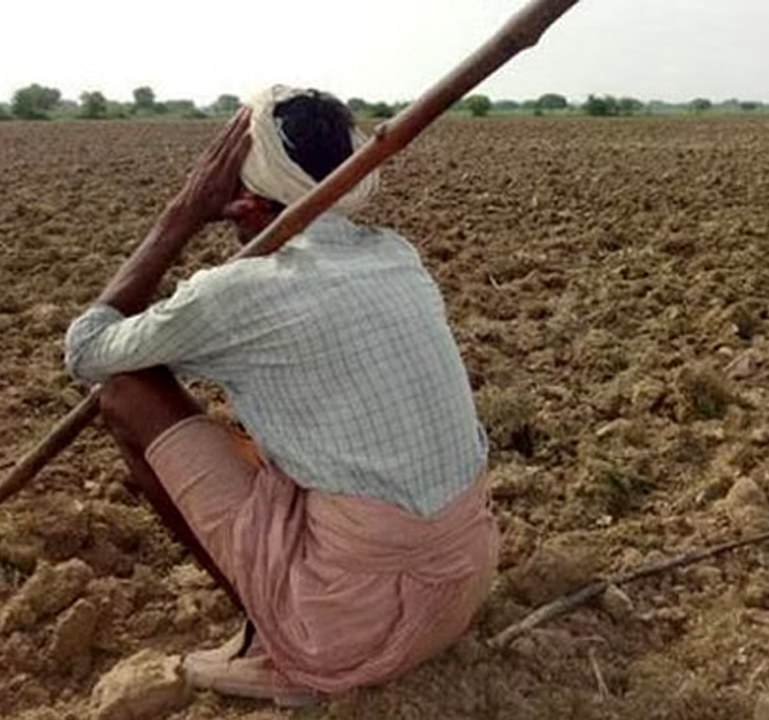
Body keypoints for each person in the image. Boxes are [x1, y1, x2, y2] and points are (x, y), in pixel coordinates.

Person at [64, 85, 497, 705]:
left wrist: (181, 214)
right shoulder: (396, 256)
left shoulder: (235, 292)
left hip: (345, 632)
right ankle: (294, 602)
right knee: (264, 434)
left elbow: (86, 349)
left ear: (240, 199)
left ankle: (272, 641)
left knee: (127, 390)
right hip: (461, 585)